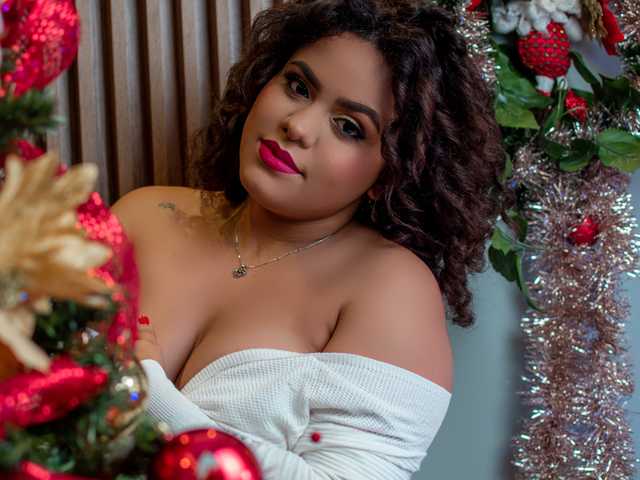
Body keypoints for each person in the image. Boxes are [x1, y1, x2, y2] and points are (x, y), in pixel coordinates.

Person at [112, 0, 505, 478]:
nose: (296, 126)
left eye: (349, 128)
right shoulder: (144, 215)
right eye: (298, 86)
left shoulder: (391, 289)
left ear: (391, 173)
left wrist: (145, 394)